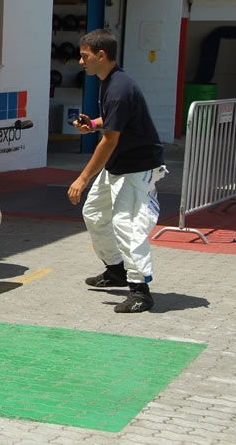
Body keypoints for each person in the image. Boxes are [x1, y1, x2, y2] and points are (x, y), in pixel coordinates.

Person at [67, 29, 166, 313]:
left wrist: (82, 178)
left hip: (137, 169)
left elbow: (110, 142)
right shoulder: (108, 81)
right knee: (95, 214)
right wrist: (95, 124)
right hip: (118, 167)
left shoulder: (119, 88)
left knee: (127, 226)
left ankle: (140, 292)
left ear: (101, 55)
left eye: (84, 56)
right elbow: (112, 124)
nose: (80, 61)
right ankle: (116, 271)